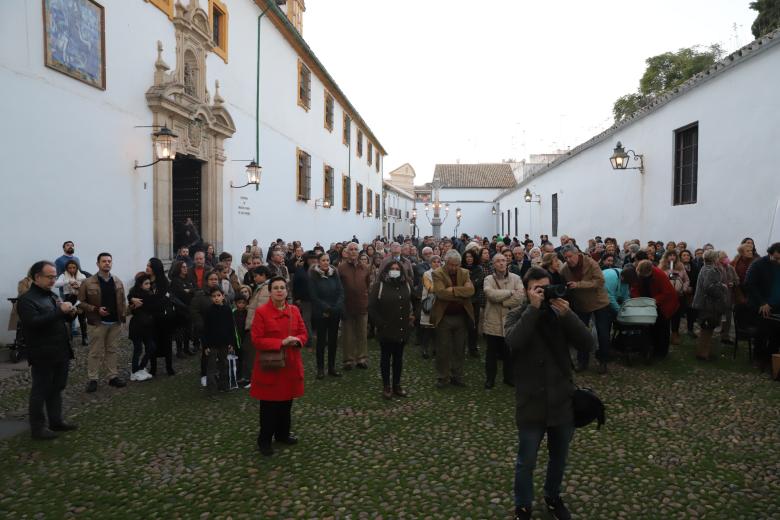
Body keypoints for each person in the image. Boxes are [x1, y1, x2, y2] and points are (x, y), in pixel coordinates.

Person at [504, 267, 593, 520]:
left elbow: (588, 344)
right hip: (531, 402)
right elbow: (513, 342)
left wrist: (568, 316)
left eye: (547, 287)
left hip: (561, 401)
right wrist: (532, 309)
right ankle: (523, 504)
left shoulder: (560, 314)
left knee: (559, 458)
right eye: (537, 289)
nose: (543, 293)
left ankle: (552, 496)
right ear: (526, 290)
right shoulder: (516, 315)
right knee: (526, 460)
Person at [17, 261, 79, 440]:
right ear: (37, 277)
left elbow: (57, 319)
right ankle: (37, 428)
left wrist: (70, 313)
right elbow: (34, 323)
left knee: (57, 387)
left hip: (60, 349)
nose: (53, 280)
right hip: (42, 353)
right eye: (49, 277)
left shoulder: (50, 296)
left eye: (54, 277)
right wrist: (60, 312)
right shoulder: (26, 300)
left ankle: (56, 421)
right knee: (40, 390)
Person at [250, 276, 307, 457]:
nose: (280, 291)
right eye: (276, 288)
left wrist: (297, 340)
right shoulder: (261, 312)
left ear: (287, 291)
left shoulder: (294, 310)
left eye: (282, 287)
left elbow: (303, 333)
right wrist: (280, 342)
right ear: (270, 291)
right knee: (269, 407)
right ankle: (264, 440)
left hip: (290, 363)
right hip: (271, 365)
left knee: (286, 403)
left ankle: (282, 434)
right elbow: (257, 339)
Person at [77, 253, 127, 392]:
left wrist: (123, 318)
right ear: (98, 263)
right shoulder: (88, 282)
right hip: (97, 323)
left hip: (114, 323)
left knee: (112, 350)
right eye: (104, 261)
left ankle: (112, 377)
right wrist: (96, 309)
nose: (107, 263)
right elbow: (80, 302)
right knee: (95, 352)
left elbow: (122, 301)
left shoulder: (117, 281)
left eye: (109, 261)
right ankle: (93, 379)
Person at [559, 245, 613, 374]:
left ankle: (603, 361)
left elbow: (600, 281)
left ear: (577, 254)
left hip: (599, 302)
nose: (568, 260)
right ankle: (582, 361)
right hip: (581, 304)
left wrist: (579, 285)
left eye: (570, 256)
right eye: (565, 258)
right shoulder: (565, 269)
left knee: (603, 333)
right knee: (580, 333)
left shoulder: (591, 263)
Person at [369, 260, 413, 399]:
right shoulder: (379, 286)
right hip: (386, 329)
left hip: (402, 328)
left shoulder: (406, 284)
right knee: (386, 358)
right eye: (392, 268)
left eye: (397, 268)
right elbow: (371, 307)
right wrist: (380, 324)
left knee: (399, 358)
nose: (395, 270)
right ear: (386, 271)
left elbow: (414, 301)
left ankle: (397, 385)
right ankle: (386, 386)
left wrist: (413, 317)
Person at [431, 250, 475, 387]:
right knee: (443, 348)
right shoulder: (437, 273)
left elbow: (471, 291)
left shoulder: (465, 273)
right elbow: (441, 293)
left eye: (457, 265)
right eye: (451, 265)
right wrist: (462, 291)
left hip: (461, 316)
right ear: (446, 262)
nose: (454, 268)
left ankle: (457, 376)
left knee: (459, 348)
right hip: (444, 316)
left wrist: (453, 290)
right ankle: (443, 377)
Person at [482, 253, 524, 389]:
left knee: (509, 353)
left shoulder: (516, 278)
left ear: (507, 263)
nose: (501, 263)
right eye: (498, 261)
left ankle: (509, 377)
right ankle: (490, 379)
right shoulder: (488, 279)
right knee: (491, 354)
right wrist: (510, 292)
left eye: (503, 260)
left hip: (510, 320)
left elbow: (520, 297)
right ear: (493, 264)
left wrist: (504, 303)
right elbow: (490, 294)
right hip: (493, 320)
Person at [630, 260, 680, 358]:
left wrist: (652, 301)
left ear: (650, 271)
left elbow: (667, 293)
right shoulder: (638, 273)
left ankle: (661, 352)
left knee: (662, 328)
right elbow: (634, 288)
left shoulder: (659, 274)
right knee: (650, 326)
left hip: (664, 305)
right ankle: (650, 347)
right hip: (648, 302)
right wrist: (638, 299)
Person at [744, 242, 780, 370]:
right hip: (761, 305)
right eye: (776, 258)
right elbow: (749, 284)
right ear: (769, 254)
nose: (778, 261)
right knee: (761, 333)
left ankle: (771, 360)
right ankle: (758, 359)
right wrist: (762, 302)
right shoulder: (758, 264)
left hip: (777, 306)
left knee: (776, 335)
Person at [308, 253, 344, 379]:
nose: (325, 262)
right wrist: (326, 308)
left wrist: (336, 307)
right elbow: (313, 296)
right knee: (321, 342)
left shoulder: (334, 273)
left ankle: (332, 367)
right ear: (318, 262)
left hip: (335, 312)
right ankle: (320, 368)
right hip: (321, 313)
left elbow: (340, 291)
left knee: (333, 341)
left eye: (327, 260)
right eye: (323, 260)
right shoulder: (313, 276)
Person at [338, 242, 371, 370]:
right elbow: (339, 287)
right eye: (351, 249)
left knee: (362, 334)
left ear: (359, 252)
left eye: (355, 249)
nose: (353, 251)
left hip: (362, 305)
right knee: (348, 335)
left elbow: (367, 285)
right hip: (347, 305)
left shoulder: (365, 267)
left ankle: (361, 358)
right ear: (347, 252)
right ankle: (348, 359)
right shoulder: (341, 268)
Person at [692, 250, 728, 361]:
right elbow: (709, 287)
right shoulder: (711, 270)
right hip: (709, 304)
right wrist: (722, 287)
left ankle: (704, 352)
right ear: (714, 258)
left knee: (706, 329)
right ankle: (703, 354)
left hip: (704, 303)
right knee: (707, 329)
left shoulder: (704, 268)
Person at [203, 287, 236, 393]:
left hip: (224, 343)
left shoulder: (227, 309)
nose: (216, 298)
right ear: (210, 298)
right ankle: (212, 388)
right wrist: (206, 345)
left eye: (218, 295)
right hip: (212, 344)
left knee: (224, 364)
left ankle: (224, 385)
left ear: (223, 296)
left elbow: (231, 327)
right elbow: (206, 329)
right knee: (211, 366)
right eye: (214, 296)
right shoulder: (208, 311)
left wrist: (231, 342)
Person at [126, 273, 158, 382]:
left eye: (149, 283)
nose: (148, 285)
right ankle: (134, 372)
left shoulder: (148, 294)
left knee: (151, 347)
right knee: (138, 349)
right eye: (146, 284)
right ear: (140, 285)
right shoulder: (138, 295)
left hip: (147, 326)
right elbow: (131, 298)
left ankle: (141, 368)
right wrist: (131, 299)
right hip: (138, 326)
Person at [191, 271, 221, 386]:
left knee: (218, 352)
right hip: (206, 329)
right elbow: (194, 311)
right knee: (206, 352)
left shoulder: (221, 293)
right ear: (206, 281)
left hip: (219, 328)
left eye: (216, 279)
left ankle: (216, 372)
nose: (214, 281)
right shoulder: (200, 295)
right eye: (211, 279)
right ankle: (204, 374)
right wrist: (201, 325)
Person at [243, 266, 272, 385]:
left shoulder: (265, 289)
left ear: (264, 275)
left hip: (256, 326)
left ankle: (256, 377)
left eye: (256, 276)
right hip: (255, 324)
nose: (254, 279)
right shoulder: (261, 287)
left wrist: (255, 325)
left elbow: (260, 309)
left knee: (252, 353)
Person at [659, 250, 690, 345]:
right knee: (666, 316)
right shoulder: (661, 268)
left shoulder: (681, 268)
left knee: (676, 316)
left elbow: (687, 280)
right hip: (667, 297)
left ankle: (675, 334)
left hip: (678, 296)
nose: (672, 257)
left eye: (674, 255)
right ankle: (665, 335)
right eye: (670, 255)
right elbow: (658, 281)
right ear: (666, 257)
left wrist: (683, 289)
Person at [54, 259, 88, 345]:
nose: (72, 269)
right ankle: (69, 338)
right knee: (68, 319)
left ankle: (85, 337)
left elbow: (87, 287)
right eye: (69, 268)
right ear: (66, 268)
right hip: (69, 298)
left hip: (80, 298)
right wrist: (68, 281)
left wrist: (78, 286)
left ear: (77, 268)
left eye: (74, 267)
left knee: (82, 318)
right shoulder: (63, 275)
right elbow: (56, 284)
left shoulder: (82, 276)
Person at [462, 249, 484, 358]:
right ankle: (461, 348)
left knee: (473, 325)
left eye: (470, 257)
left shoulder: (479, 269)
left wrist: (467, 285)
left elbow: (477, 283)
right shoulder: (461, 269)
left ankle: (473, 348)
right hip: (462, 300)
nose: (469, 259)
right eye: (467, 257)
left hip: (474, 301)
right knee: (462, 325)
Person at [418, 255, 442, 358]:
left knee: (437, 329)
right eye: (434, 262)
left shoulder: (443, 273)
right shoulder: (426, 274)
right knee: (427, 329)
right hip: (429, 302)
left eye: (438, 262)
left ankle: (436, 348)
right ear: (431, 263)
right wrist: (442, 287)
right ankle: (425, 349)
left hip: (440, 303)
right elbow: (430, 288)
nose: (436, 263)